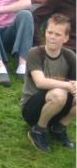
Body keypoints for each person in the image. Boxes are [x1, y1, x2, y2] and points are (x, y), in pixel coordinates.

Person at [22, 13, 76, 151]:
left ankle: (59, 128)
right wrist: (68, 85)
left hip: (60, 106)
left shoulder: (70, 56)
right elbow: (40, 82)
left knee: (64, 94)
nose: (52, 37)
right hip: (32, 109)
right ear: (45, 33)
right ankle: (38, 130)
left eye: (58, 34)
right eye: (50, 32)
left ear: (66, 38)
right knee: (59, 94)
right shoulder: (35, 53)